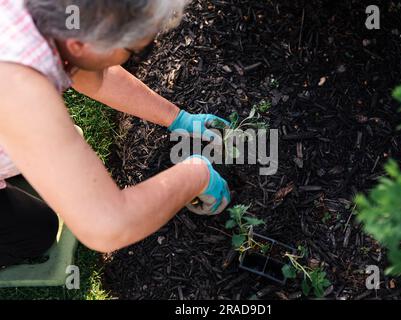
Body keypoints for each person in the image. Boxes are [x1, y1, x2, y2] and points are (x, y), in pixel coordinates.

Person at [0, 0, 231, 268]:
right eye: (137, 50)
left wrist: (177, 118)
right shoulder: (19, 86)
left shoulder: (55, 18)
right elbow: (105, 225)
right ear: (79, 43)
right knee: (35, 232)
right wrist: (195, 175)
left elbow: (90, 69)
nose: (138, 55)